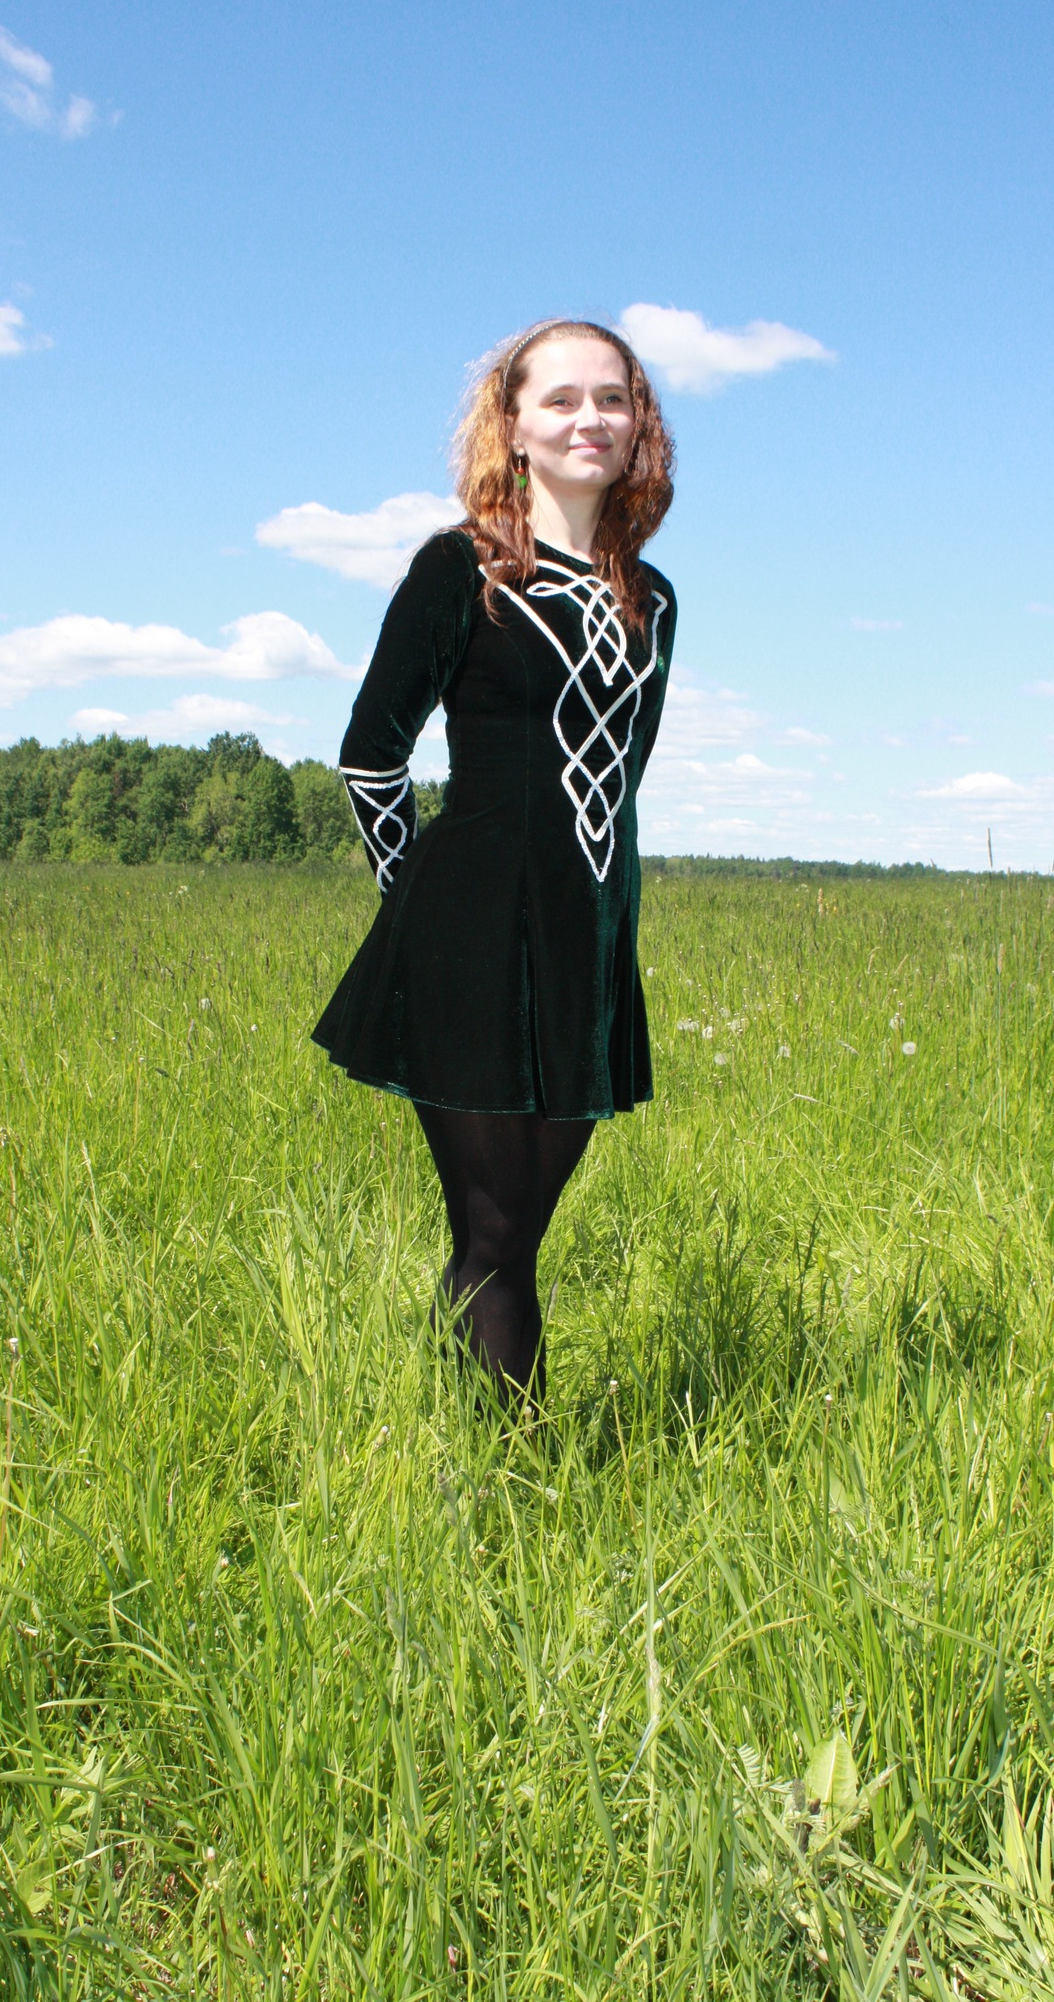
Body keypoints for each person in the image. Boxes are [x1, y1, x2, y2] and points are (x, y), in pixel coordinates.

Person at [312, 318, 677, 1403]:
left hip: (586, 947)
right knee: (497, 1235)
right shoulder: (458, 569)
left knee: (511, 1238)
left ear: (638, 425)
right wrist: (423, 914)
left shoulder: (651, 599)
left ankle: (461, 1424)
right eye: (559, 398)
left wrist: (605, 926)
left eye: (612, 398)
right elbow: (370, 754)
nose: (588, 418)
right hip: (467, 939)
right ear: (512, 425)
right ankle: (517, 1476)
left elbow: (617, 784)